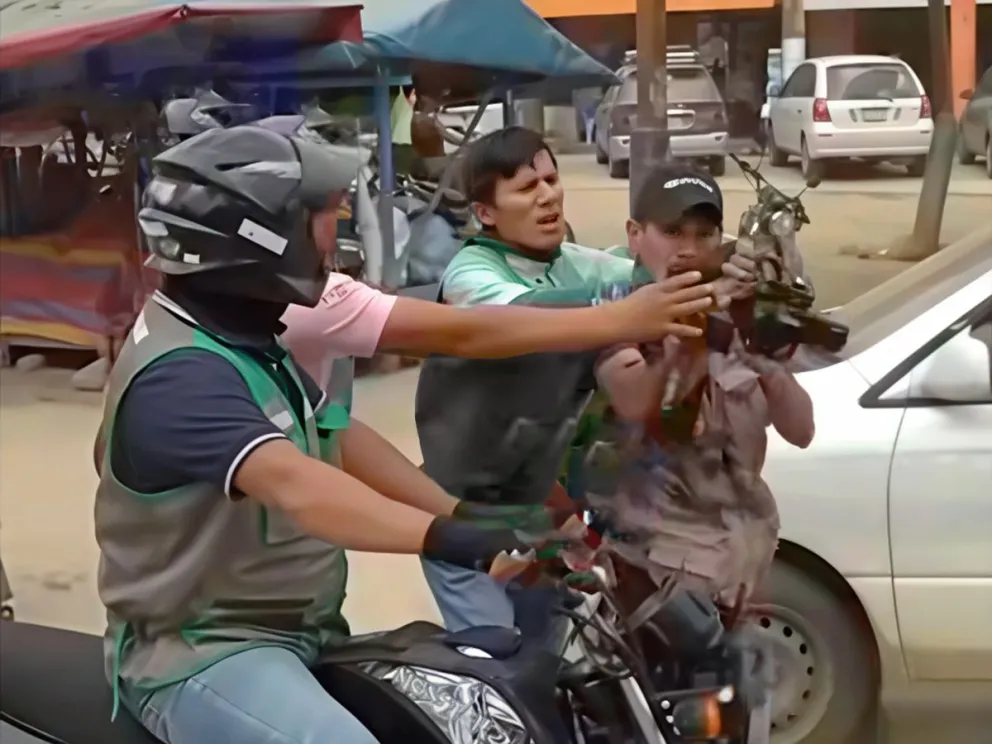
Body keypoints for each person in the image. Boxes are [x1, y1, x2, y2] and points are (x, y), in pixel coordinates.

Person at [93, 125, 717, 744]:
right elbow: (301, 486)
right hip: (204, 652)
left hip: (301, 631)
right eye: (319, 217)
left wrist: (471, 517)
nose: (337, 235)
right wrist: (455, 539)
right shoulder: (181, 377)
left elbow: (335, 437)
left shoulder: (249, 340)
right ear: (259, 239)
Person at [413, 127, 719, 650]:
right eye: (527, 188)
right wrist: (625, 310)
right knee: (500, 673)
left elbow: (644, 278)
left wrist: (711, 276)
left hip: (546, 518)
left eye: (552, 179)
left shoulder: (575, 264)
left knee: (560, 673)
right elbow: (519, 319)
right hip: (466, 518)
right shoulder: (471, 273)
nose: (548, 195)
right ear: (486, 213)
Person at [587, 165, 816, 740]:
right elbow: (644, 406)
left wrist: (764, 356)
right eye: (673, 232)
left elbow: (802, 428)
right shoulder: (616, 308)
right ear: (636, 235)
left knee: (737, 723)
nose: (689, 249)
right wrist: (700, 327)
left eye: (704, 235)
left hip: (733, 572)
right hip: (654, 576)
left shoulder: (740, 308)